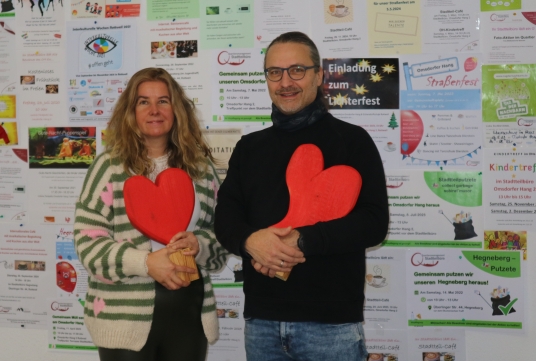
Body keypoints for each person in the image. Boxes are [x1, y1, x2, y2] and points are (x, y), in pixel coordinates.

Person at [214, 31, 389, 361]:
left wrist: (302, 239)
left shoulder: (353, 141)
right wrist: (251, 242)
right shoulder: (249, 148)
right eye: (274, 72)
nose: (285, 82)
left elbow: (373, 223)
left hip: (331, 326)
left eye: (297, 70)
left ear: (318, 75)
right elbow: (226, 219)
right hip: (261, 323)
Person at [75, 67, 228, 361]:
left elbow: (222, 236)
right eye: (144, 102)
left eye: (163, 101)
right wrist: (145, 263)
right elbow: (88, 245)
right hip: (123, 319)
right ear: (130, 111)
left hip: (189, 314)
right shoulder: (108, 168)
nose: (154, 110)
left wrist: (199, 245)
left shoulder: (200, 170)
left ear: (176, 109)